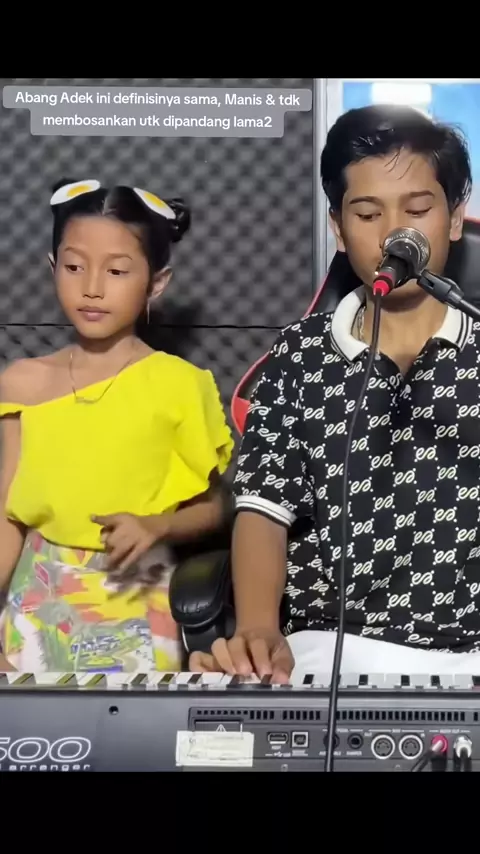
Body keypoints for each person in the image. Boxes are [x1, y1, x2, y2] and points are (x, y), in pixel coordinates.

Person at [190, 103, 480, 682]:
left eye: (417, 210)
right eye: (368, 213)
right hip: (332, 648)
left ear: (454, 218)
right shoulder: (299, 354)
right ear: (338, 228)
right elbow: (264, 509)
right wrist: (258, 629)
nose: (395, 234)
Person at [0, 178, 233, 674]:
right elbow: (7, 515)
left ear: (156, 283)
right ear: (52, 267)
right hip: (36, 600)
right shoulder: (20, 382)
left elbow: (215, 507)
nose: (92, 287)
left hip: (137, 598)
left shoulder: (178, 384)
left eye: (117, 270)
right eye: (74, 266)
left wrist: (157, 524)